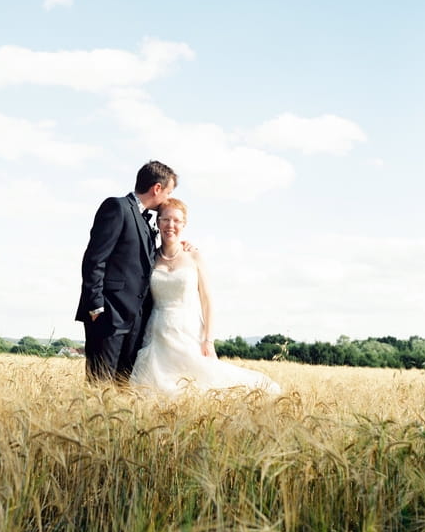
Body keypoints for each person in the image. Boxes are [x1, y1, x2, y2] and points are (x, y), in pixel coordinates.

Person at [130, 198, 281, 396]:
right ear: (158, 223)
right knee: (155, 389)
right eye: (166, 219)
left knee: (201, 381)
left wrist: (208, 340)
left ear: (184, 224)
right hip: (157, 331)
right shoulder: (151, 256)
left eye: (176, 221)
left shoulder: (194, 257)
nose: (171, 225)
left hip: (189, 329)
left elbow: (207, 300)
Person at [75, 160, 177, 382]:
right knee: (99, 385)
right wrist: (95, 306)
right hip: (107, 315)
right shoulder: (117, 207)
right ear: (156, 188)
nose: (167, 199)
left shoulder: (148, 220)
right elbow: (95, 258)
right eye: (168, 192)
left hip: (136, 321)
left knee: (123, 386)